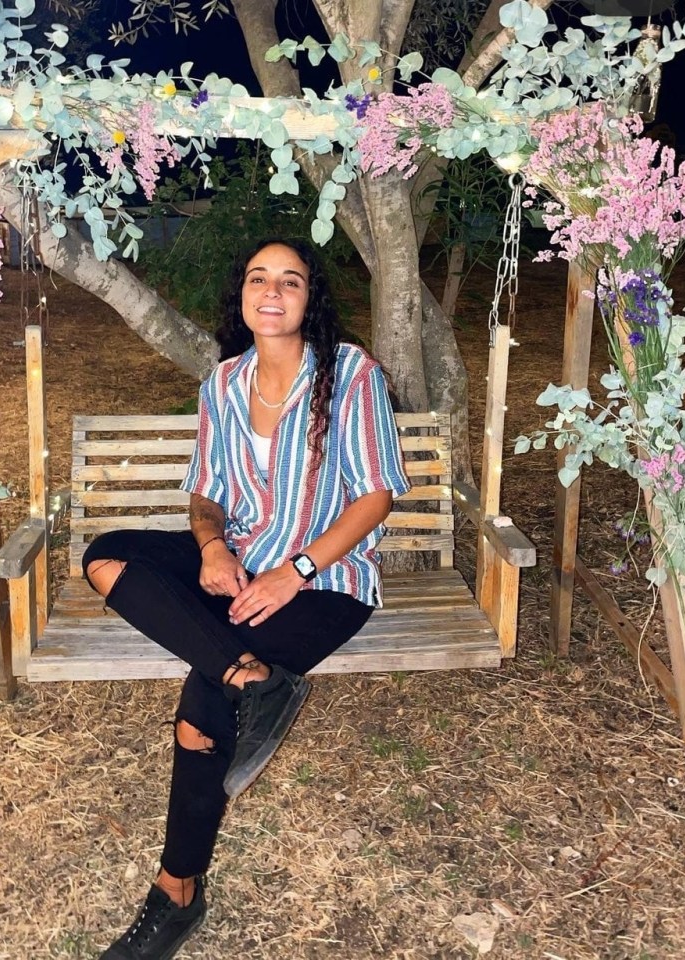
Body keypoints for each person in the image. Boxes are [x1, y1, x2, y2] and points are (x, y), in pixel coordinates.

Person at [83, 238, 410, 960]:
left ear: (307, 299)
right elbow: (206, 492)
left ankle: (176, 893)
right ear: (242, 295)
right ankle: (252, 677)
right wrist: (210, 547)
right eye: (258, 277)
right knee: (105, 556)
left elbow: (376, 495)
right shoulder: (224, 384)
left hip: (325, 580)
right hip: (240, 564)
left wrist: (293, 569)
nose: (272, 291)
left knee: (200, 715)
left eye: (289, 281)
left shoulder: (350, 373)